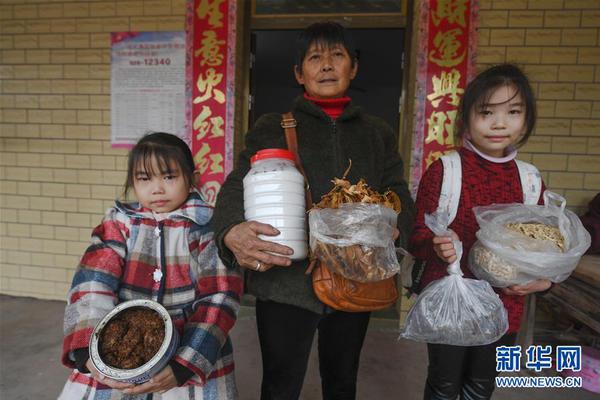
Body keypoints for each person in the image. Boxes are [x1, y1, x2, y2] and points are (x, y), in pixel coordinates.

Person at [211, 21, 414, 400]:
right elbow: (238, 183)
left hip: (356, 273)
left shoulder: (377, 133)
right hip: (286, 279)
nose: (326, 65)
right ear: (298, 72)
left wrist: (397, 224)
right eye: (315, 57)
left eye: (337, 56)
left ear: (353, 68)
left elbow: (397, 190)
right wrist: (229, 230)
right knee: (280, 383)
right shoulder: (272, 127)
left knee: (342, 381)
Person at [59, 132, 242, 400]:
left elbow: (220, 295)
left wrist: (184, 366)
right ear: (132, 180)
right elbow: (91, 282)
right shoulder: (119, 223)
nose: (157, 188)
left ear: (192, 176)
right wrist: (88, 349)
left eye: (169, 176)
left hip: (187, 344)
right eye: (144, 178)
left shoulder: (208, 227)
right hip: (121, 343)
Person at [409, 64, 553, 400]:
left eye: (513, 112)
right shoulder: (444, 171)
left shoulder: (530, 180)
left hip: (506, 305)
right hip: (451, 300)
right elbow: (416, 237)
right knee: (444, 386)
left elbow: (548, 247)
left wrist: (546, 281)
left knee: (481, 386)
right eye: (486, 112)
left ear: (527, 119)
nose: (500, 123)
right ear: (466, 119)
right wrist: (435, 245)